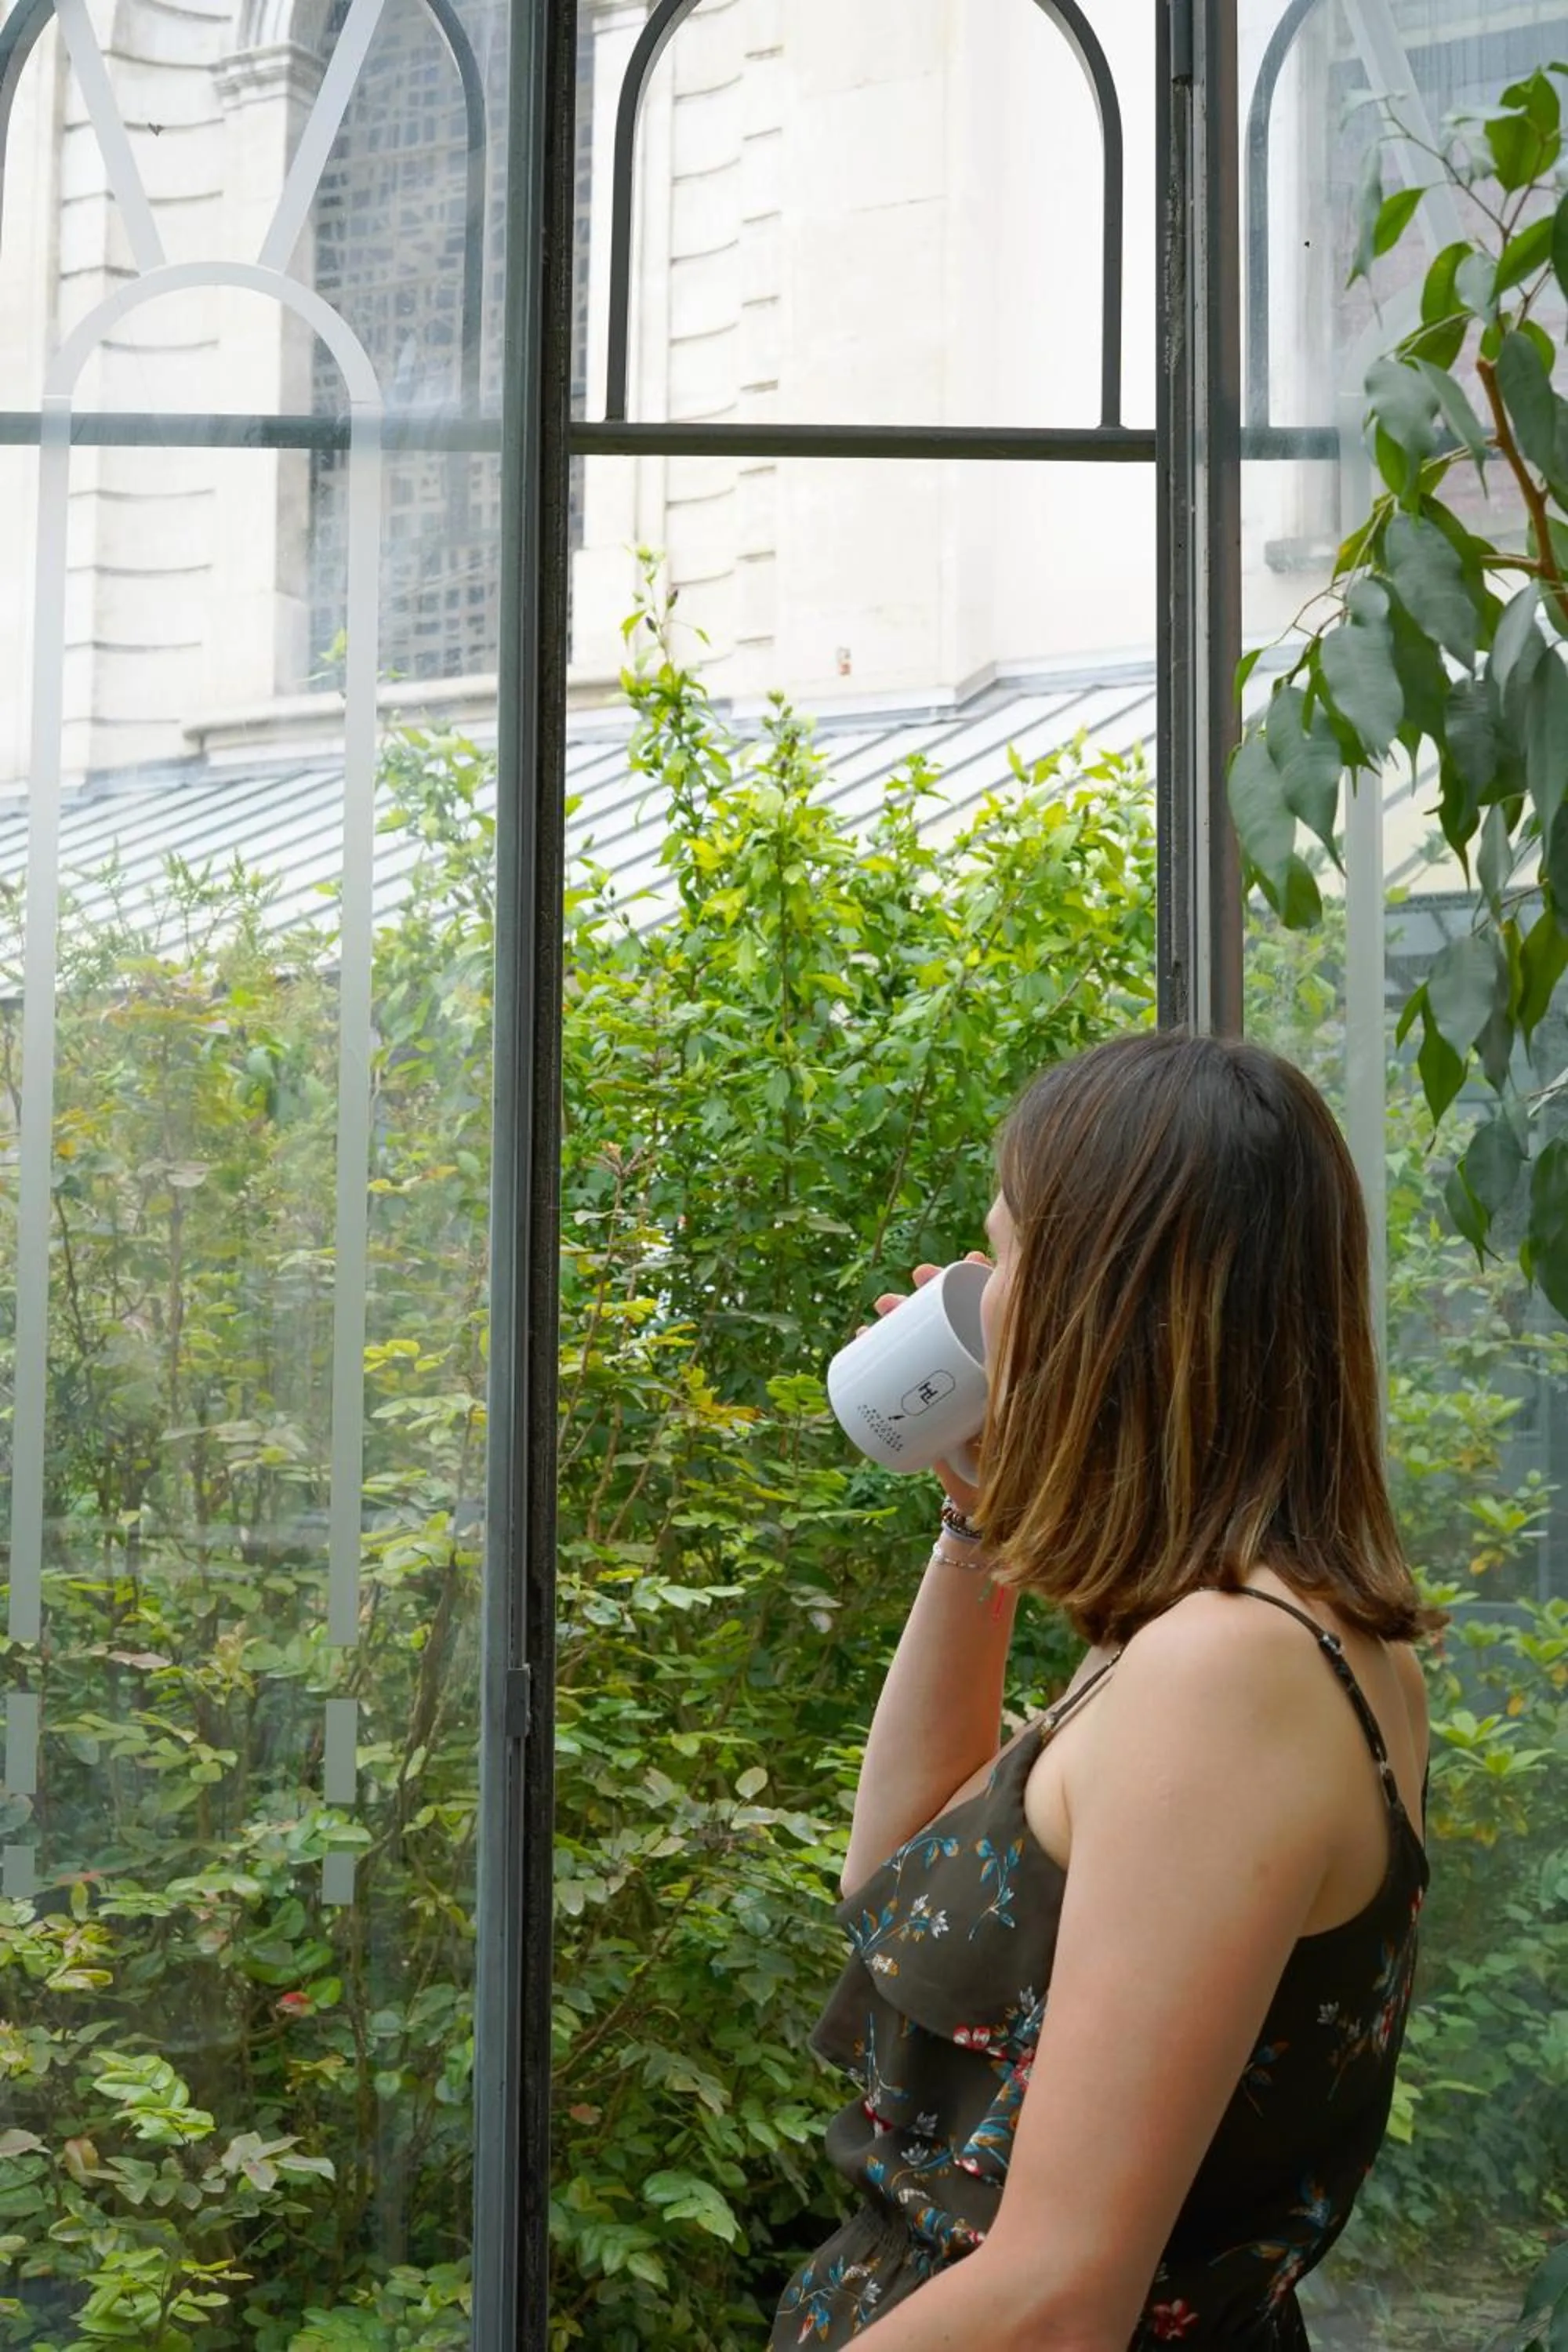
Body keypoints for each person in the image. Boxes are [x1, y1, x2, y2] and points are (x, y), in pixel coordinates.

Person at [771, 1031, 1435, 2350]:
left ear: (1103, 1295)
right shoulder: (1225, 1632)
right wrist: (978, 1521)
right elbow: (896, 1881)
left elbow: (1064, 2291)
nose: (975, 1290)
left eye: (1006, 1250)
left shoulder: (1227, 1674)